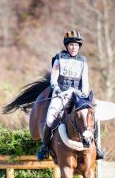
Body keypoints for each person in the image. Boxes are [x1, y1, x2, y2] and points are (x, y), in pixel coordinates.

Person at [37, 30, 105, 160]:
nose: (74, 48)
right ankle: (45, 147)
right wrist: (56, 88)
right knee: (50, 117)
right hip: (61, 93)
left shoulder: (83, 60)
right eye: (71, 45)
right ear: (67, 46)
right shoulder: (59, 58)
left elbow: (85, 80)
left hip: (78, 95)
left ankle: (97, 147)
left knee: (93, 117)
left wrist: (84, 95)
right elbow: (54, 77)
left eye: (76, 45)